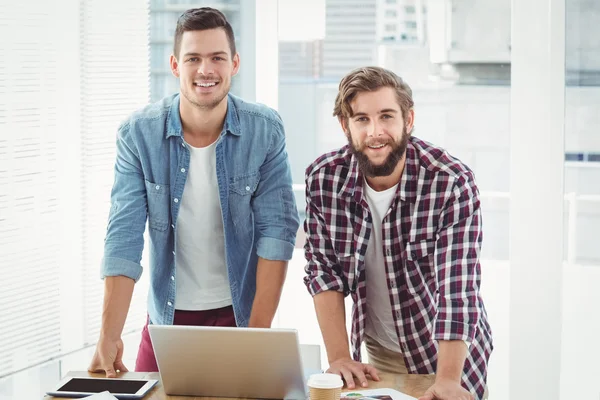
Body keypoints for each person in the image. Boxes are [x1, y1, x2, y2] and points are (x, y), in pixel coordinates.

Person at [88, 7, 300, 376]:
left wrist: (256, 336)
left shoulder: (264, 130)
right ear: (174, 65)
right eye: (193, 58)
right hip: (166, 319)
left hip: (241, 315)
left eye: (217, 57)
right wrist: (108, 336)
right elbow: (123, 237)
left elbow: (276, 232)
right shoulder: (138, 134)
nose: (206, 70)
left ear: (234, 63)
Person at [303, 66, 493, 400]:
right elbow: (324, 273)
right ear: (345, 126)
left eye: (386, 116)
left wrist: (448, 379)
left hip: (449, 354)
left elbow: (457, 289)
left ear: (408, 119)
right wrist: (339, 357)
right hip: (378, 356)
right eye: (361, 119)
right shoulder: (324, 180)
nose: (375, 132)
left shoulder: (450, 182)